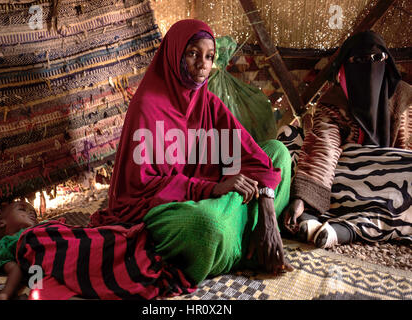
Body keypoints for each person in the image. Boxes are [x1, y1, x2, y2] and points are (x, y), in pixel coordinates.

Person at [89, 19, 293, 285]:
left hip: (214, 192)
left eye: (209, 57)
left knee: (278, 153)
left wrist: (268, 216)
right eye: (193, 54)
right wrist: (212, 190)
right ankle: (239, 232)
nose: (203, 65)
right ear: (174, 55)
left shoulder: (207, 102)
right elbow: (143, 187)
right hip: (166, 207)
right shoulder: (148, 106)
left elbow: (251, 156)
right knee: (206, 226)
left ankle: (249, 231)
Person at [282, 30, 412, 248]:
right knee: (287, 137)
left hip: (389, 188)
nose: (370, 66)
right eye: (360, 60)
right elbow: (324, 148)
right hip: (345, 178)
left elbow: (403, 156)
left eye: (377, 59)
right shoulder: (335, 101)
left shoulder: (405, 98)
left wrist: (385, 166)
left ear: (387, 62)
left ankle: (347, 229)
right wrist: (301, 198)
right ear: (345, 67)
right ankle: (312, 212)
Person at [0, 201, 194, 300]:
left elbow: (76, 236)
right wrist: (6, 293)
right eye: (23, 210)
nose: (32, 214)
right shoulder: (9, 242)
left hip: (65, 246)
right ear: (0, 224)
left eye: (33, 212)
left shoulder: (48, 225)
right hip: (37, 257)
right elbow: (15, 269)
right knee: (39, 291)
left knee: (100, 244)